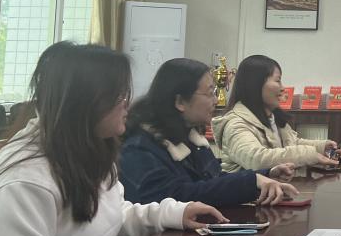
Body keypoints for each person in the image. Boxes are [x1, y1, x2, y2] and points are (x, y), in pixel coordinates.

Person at [0, 42, 225, 236]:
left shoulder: (88, 150)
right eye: (119, 96)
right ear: (86, 102)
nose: (127, 105)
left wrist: (174, 214)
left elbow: (109, 217)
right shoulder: (23, 182)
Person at [120, 58, 300, 208]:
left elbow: (213, 179)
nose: (215, 100)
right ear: (180, 102)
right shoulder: (140, 148)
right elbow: (173, 197)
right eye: (209, 93)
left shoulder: (190, 138)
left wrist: (265, 175)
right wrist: (252, 181)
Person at [213, 54, 341, 173]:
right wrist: (310, 155)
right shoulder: (235, 123)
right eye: (277, 80)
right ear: (255, 84)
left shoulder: (272, 117)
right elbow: (257, 159)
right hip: (246, 194)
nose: (283, 88)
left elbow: (292, 143)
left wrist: (322, 148)